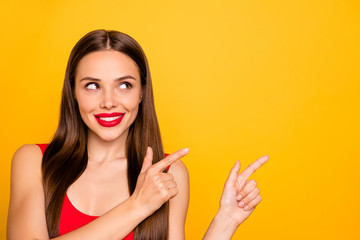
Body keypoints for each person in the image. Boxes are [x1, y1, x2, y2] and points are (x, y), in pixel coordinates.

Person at [7, 29, 269, 240]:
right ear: (73, 93)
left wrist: (225, 221)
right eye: (92, 86)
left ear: (142, 92)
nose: (108, 102)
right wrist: (138, 206)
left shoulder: (168, 173)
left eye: (124, 85)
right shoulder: (34, 161)